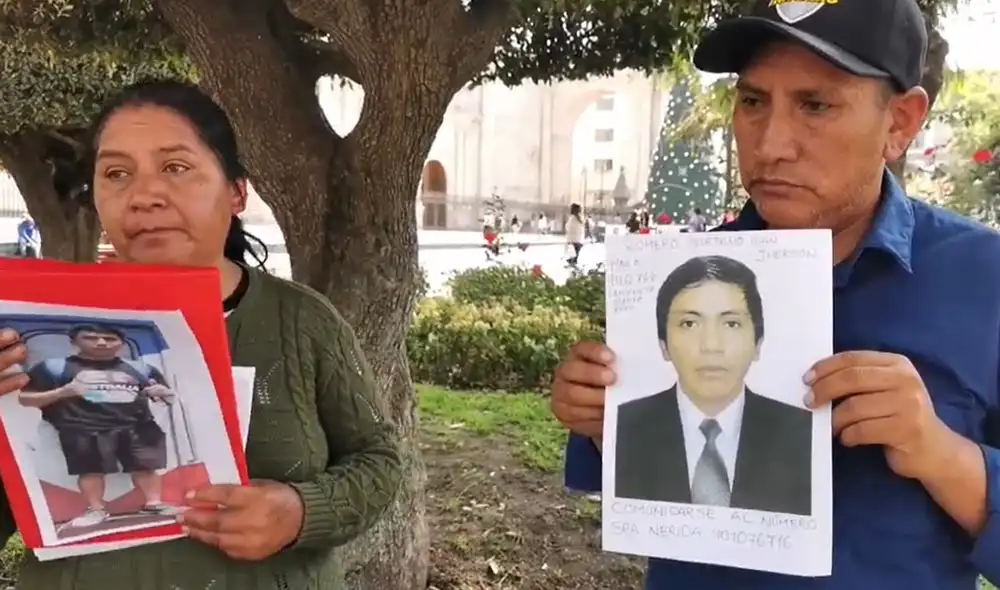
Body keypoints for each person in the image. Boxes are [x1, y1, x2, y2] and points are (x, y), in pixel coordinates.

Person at [551, 0, 1000, 588]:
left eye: (815, 105)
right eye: (753, 102)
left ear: (900, 123)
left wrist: (941, 454)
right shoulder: (681, 279)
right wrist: (599, 418)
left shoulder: (983, 278)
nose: (770, 145)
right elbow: (646, 477)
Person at [0, 79, 402, 589]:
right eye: (117, 173)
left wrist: (301, 511)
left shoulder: (303, 322)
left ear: (236, 192)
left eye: (175, 167)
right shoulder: (25, 330)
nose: (145, 196)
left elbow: (380, 463)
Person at [615, 255, 811, 515]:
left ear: (758, 343)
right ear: (663, 345)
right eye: (689, 324)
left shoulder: (803, 432)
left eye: (731, 324)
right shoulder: (623, 425)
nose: (711, 345)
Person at [20, 324, 178, 529]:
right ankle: (95, 509)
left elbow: (166, 398)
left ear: (121, 343)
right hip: (83, 427)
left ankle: (154, 504)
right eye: (91, 337)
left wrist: (162, 393)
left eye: (110, 338)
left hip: (138, 426)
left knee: (146, 467)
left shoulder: (142, 368)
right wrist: (63, 392)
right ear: (74, 341)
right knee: (90, 470)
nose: (101, 342)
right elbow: (25, 399)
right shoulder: (52, 367)